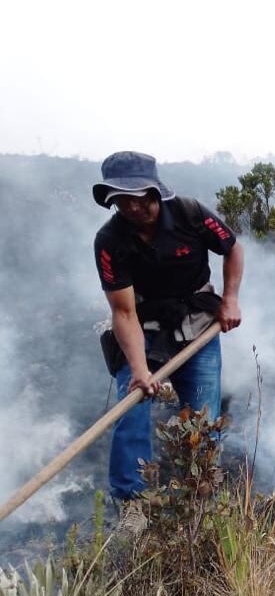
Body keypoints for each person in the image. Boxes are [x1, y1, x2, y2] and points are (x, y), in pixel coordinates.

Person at [92, 151, 244, 533]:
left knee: (203, 420)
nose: (133, 206)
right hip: (146, 327)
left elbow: (233, 248)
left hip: (197, 321)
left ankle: (199, 497)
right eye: (122, 199)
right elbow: (124, 313)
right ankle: (133, 505)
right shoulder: (110, 240)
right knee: (132, 408)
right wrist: (141, 371)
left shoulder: (191, 214)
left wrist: (230, 300)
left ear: (155, 190)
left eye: (140, 196)